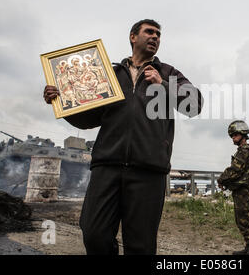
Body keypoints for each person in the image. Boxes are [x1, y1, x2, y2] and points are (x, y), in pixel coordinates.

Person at [43, 19, 203, 255]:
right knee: (94, 234)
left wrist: (163, 85)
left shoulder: (167, 73)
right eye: (149, 32)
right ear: (133, 37)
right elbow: (89, 119)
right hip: (107, 167)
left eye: (158, 34)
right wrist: (60, 102)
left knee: (141, 245)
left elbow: (195, 104)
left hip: (148, 171)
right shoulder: (109, 74)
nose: (155, 37)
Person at [217, 120, 249, 255]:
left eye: (235, 135)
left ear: (242, 134)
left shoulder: (245, 151)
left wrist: (221, 179)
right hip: (241, 190)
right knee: (242, 218)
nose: (233, 139)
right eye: (232, 136)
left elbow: (235, 170)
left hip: (243, 190)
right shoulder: (245, 151)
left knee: (244, 218)